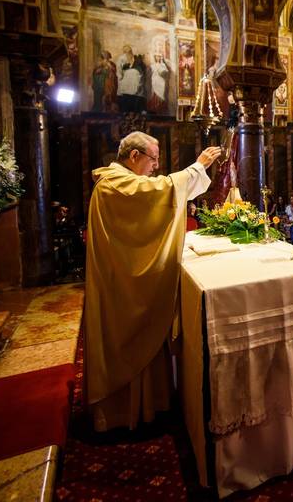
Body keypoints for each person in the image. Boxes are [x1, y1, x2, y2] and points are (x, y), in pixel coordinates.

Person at [85, 132, 221, 431]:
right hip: (120, 287)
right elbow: (159, 192)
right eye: (153, 160)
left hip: (120, 278)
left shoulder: (119, 180)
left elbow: (156, 192)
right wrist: (198, 165)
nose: (156, 167)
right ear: (134, 156)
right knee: (133, 336)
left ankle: (148, 405)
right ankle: (119, 413)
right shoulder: (115, 183)